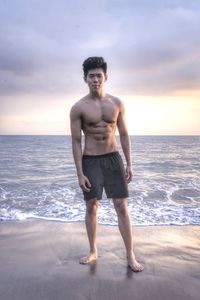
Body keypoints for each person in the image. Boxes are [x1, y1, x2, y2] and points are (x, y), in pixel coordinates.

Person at [70, 57, 144, 272]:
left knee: (122, 206)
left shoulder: (117, 103)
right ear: (85, 79)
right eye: (91, 76)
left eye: (98, 75)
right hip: (91, 160)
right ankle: (93, 251)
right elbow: (76, 141)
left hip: (113, 159)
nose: (95, 79)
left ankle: (130, 254)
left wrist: (130, 163)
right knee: (92, 206)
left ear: (106, 77)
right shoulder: (78, 108)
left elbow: (124, 133)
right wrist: (79, 173)